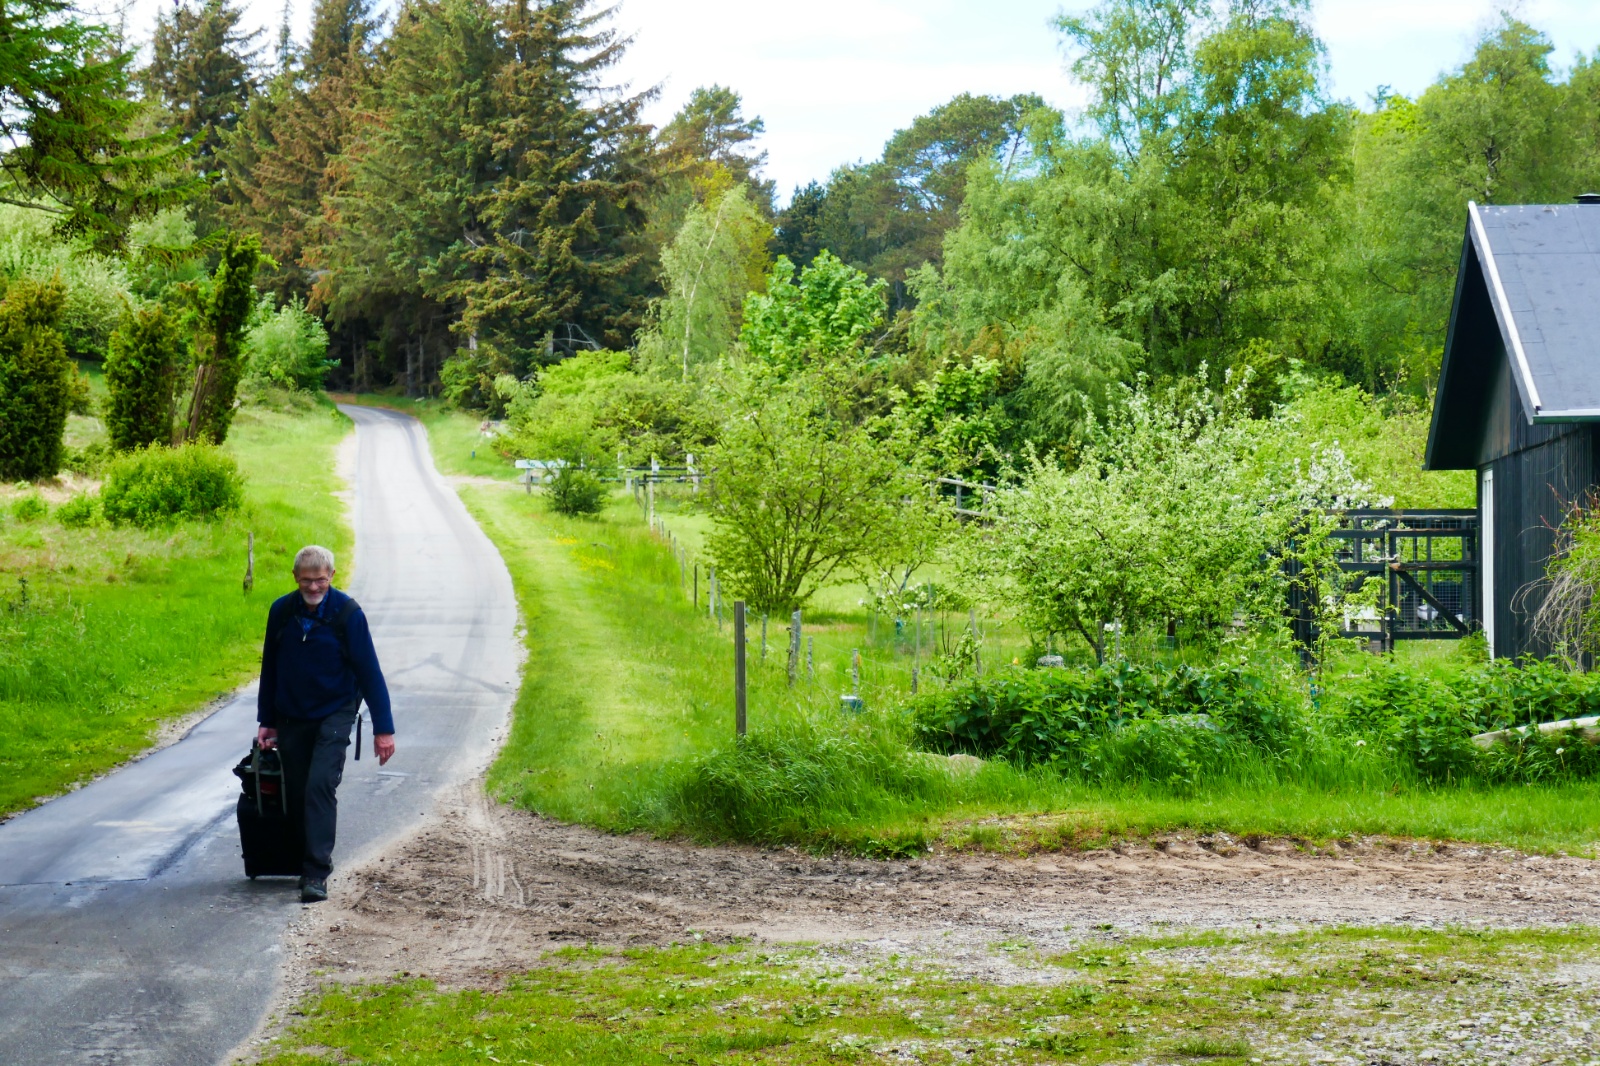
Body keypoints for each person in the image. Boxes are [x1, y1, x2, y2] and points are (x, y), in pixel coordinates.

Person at [256, 545, 394, 903]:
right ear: (295, 579)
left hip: (336, 712)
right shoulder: (282, 611)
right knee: (299, 791)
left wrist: (384, 728)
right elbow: (270, 668)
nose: (313, 588)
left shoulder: (348, 614)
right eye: (306, 581)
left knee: (320, 785)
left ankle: (316, 873)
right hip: (291, 714)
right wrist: (267, 722)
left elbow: (369, 672)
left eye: (320, 581)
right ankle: (303, 862)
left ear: (332, 576)